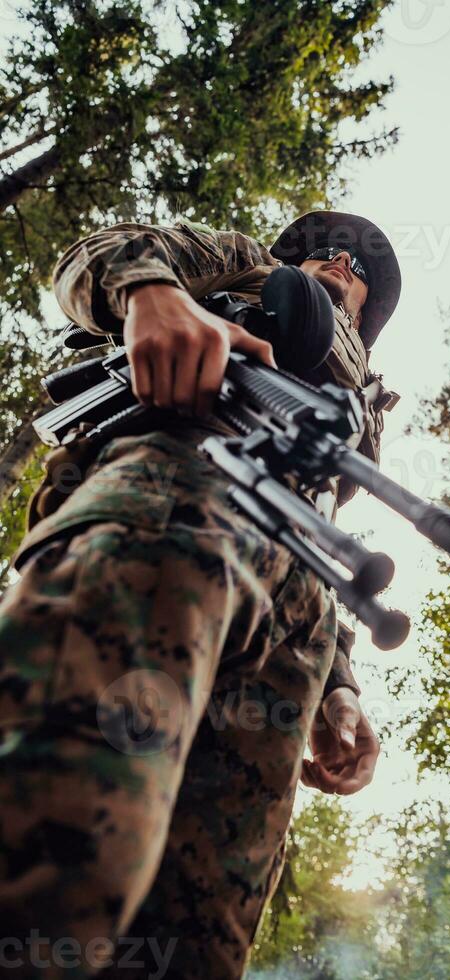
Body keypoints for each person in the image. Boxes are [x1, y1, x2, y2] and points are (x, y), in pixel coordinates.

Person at [0, 210, 401, 979]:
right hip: (182, 485)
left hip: (300, 615)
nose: (344, 260)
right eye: (328, 250)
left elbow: (322, 530)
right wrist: (153, 293)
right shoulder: (244, 262)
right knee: (62, 820)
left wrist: (339, 686)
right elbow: (98, 252)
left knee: (198, 936)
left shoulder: (362, 402)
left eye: (362, 268)